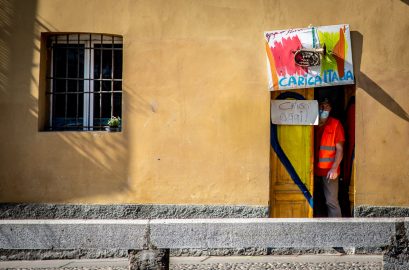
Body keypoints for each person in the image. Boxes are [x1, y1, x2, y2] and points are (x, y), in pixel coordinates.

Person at [314, 98, 345, 217]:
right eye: (322, 106)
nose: (324, 109)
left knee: (331, 202)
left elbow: (340, 149)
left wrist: (334, 168)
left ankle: (337, 229)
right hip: (312, 170)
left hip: (329, 171)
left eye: (327, 107)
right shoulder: (313, 123)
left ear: (331, 108)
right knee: (314, 200)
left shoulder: (336, 124)